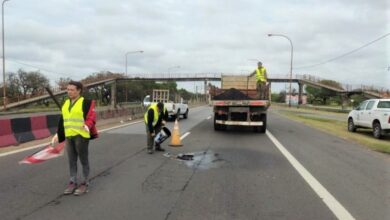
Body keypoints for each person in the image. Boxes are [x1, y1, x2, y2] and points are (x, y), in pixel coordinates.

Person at [51, 80, 98, 196]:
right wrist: (58, 134)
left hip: (81, 136)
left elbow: (91, 117)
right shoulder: (66, 103)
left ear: (79, 91)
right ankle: (73, 181)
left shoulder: (86, 103)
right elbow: (63, 120)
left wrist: (87, 126)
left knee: (83, 160)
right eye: (68, 90)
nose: (69, 92)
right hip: (69, 136)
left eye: (72, 90)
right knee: (71, 160)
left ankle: (84, 183)